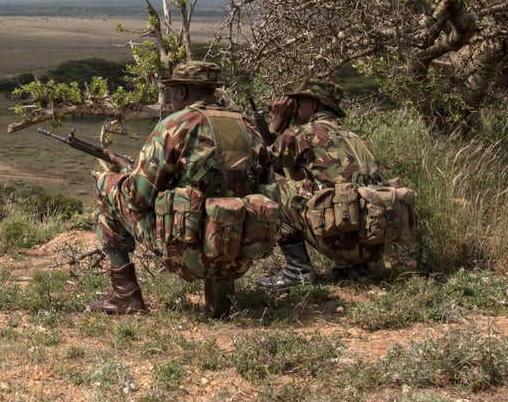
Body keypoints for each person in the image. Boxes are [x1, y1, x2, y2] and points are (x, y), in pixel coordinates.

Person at [87, 60, 273, 318]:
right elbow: (267, 186)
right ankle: (221, 287)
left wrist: (123, 173)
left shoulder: (177, 124)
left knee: (106, 185)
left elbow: (138, 198)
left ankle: (125, 294)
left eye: (172, 91)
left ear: (182, 92)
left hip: (187, 252)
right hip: (239, 254)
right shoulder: (248, 127)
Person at [256, 78, 385, 291]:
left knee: (271, 188)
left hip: (341, 239)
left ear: (313, 105)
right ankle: (351, 268)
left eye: (298, 104)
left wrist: (277, 122)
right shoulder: (352, 136)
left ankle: (297, 272)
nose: (294, 109)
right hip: (372, 242)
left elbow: (261, 163)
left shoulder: (303, 134)